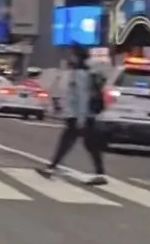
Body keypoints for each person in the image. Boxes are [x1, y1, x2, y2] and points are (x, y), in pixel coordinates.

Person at [42, 44, 106, 185]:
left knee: (75, 143)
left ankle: (52, 168)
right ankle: (52, 167)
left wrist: (81, 119)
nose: (69, 58)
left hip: (79, 116)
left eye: (71, 54)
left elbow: (83, 97)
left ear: (77, 56)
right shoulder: (83, 72)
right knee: (87, 145)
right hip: (82, 115)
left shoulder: (80, 74)